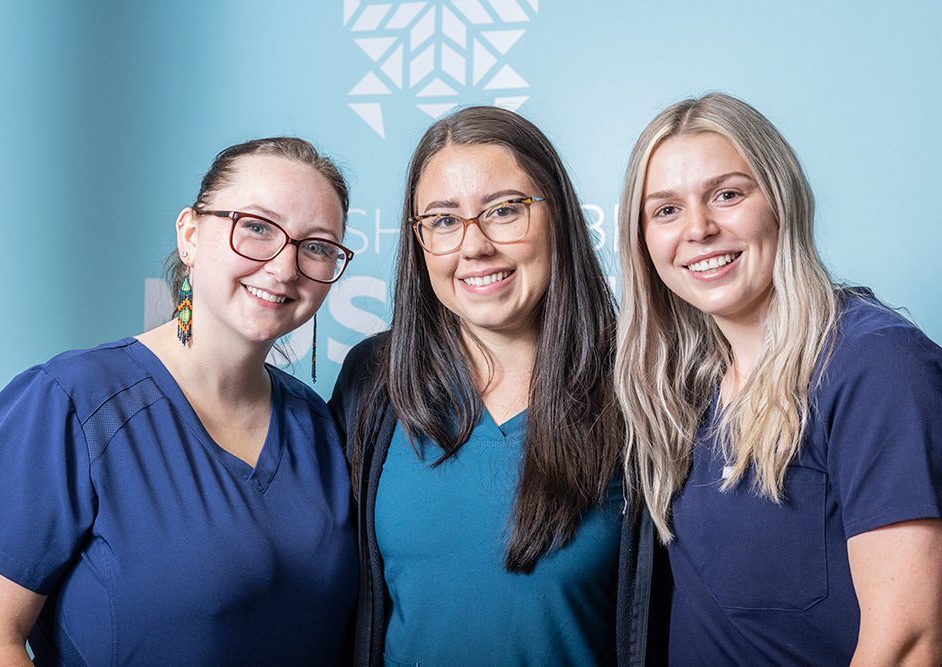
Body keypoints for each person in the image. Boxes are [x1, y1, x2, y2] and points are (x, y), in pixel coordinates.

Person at [0, 137, 358, 665]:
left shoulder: (317, 426)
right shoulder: (69, 403)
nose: (284, 266)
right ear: (189, 233)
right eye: (255, 227)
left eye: (317, 245)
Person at [331, 106, 670, 667]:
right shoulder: (374, 380)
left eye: (504, 210)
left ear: (557, 215)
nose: (474, 246)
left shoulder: (639, 385)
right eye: (442, 220)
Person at [614, 92, 942, 665]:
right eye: (665, 210)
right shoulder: (680, 389)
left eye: (728, 194)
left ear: (782, 201)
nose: (699, 228)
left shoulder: (875, 367)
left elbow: (908, 643)